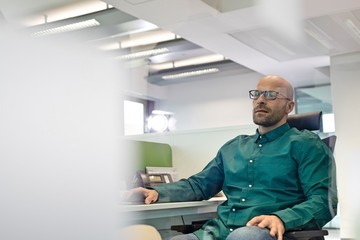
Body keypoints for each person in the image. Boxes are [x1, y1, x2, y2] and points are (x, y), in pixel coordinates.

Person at [125, 75, 337, 240]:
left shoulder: (306, 144)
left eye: (271, 95)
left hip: (264, 232)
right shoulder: (234, 147)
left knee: (244, 236)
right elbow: (199, 185)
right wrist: (155, 192)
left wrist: (281, 218)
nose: (261, 100)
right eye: (257, 94)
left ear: (289, 107)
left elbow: (323, 201)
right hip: (220, 231)